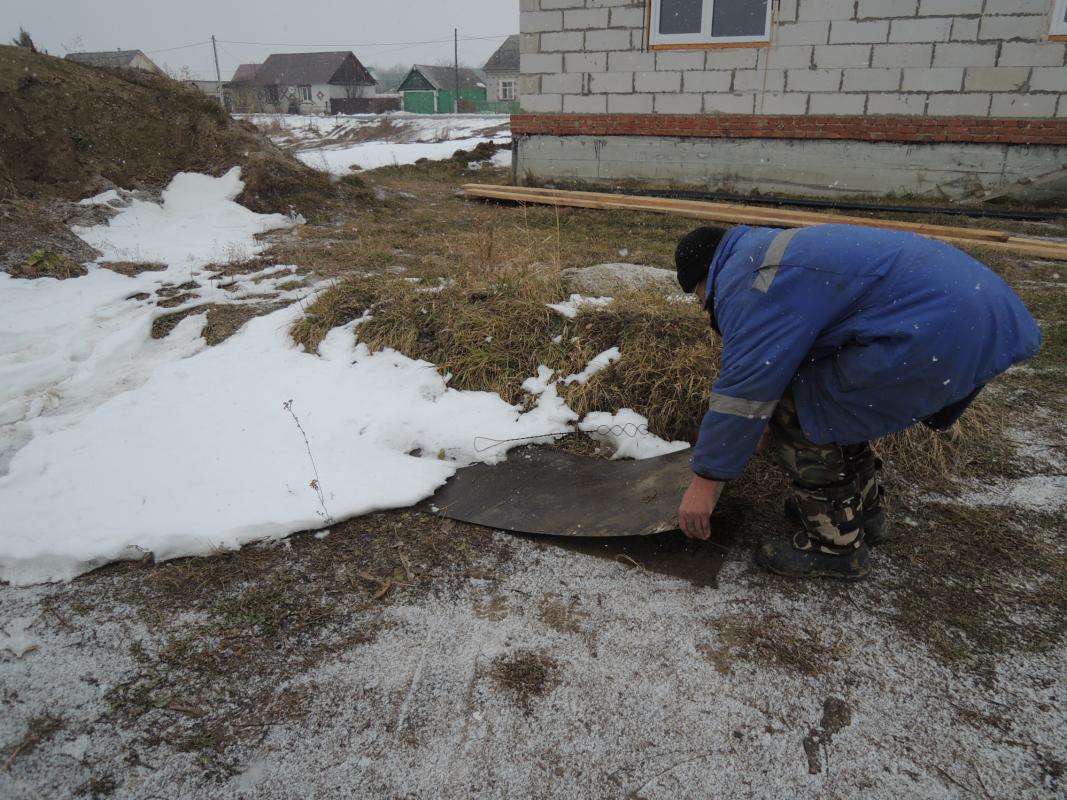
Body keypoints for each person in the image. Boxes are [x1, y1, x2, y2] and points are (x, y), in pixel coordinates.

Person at [673, 224, 1041, 581]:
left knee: (801, 408)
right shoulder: (762, 253)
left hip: (937, 329)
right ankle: (861, 512)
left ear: (706, 275)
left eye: (696, 294)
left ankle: (834, 546)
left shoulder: (749, 283)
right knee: (832, 401)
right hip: (974, 312)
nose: (702, 305)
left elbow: (743, 393)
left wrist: (705, 483)